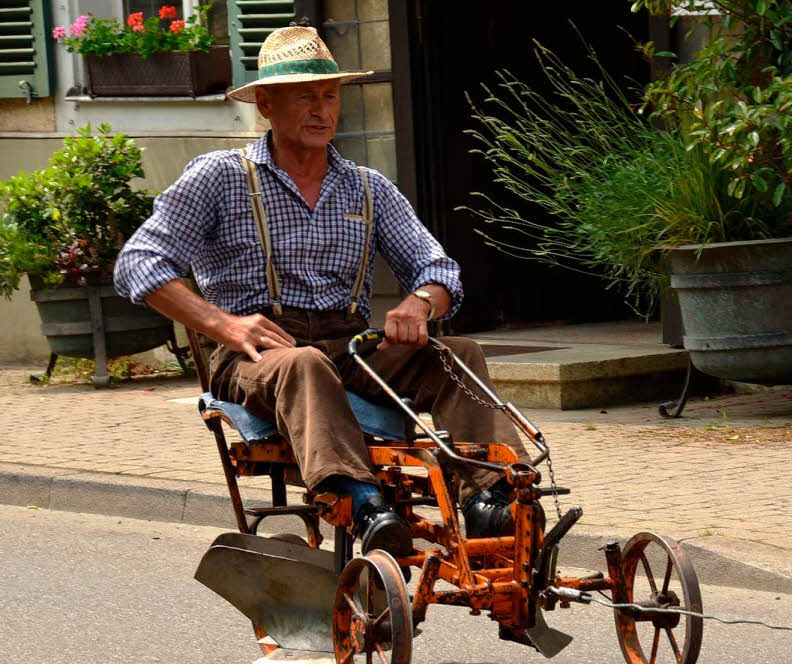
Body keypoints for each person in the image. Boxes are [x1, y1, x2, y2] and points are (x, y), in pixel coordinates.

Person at [114, 26, 527, 557]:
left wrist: (420, 302)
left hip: (349, 345)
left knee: (458, 354)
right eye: (305, 96)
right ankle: (358, 500)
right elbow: (137, 263)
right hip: (254, 352)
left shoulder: (366, 186)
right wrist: (225, 325)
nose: (321, 110)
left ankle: (489, 496)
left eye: (329, 95)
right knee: (303, 363)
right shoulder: (220, 176)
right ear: (266, 104)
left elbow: (439, 269)